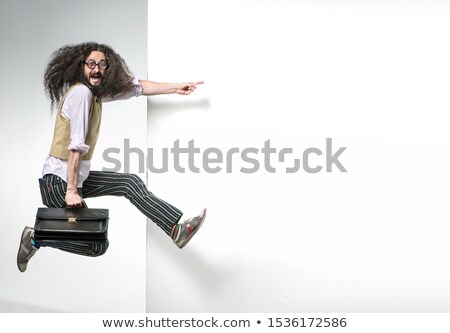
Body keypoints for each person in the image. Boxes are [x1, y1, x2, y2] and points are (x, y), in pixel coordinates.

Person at [16, 42, 206, 273]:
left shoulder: (96, 95)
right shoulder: (82, 94)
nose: (96, 69)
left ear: (108, 68)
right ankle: (36, 238)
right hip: (59, 183)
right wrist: (71, 191)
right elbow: (75, 147)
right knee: (97, 246)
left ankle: (175, 230)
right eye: (91, 64)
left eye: (102, 64)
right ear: (81, 66)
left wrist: (175, 87)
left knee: (130, 183)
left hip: (74, 179)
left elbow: (137, 88)